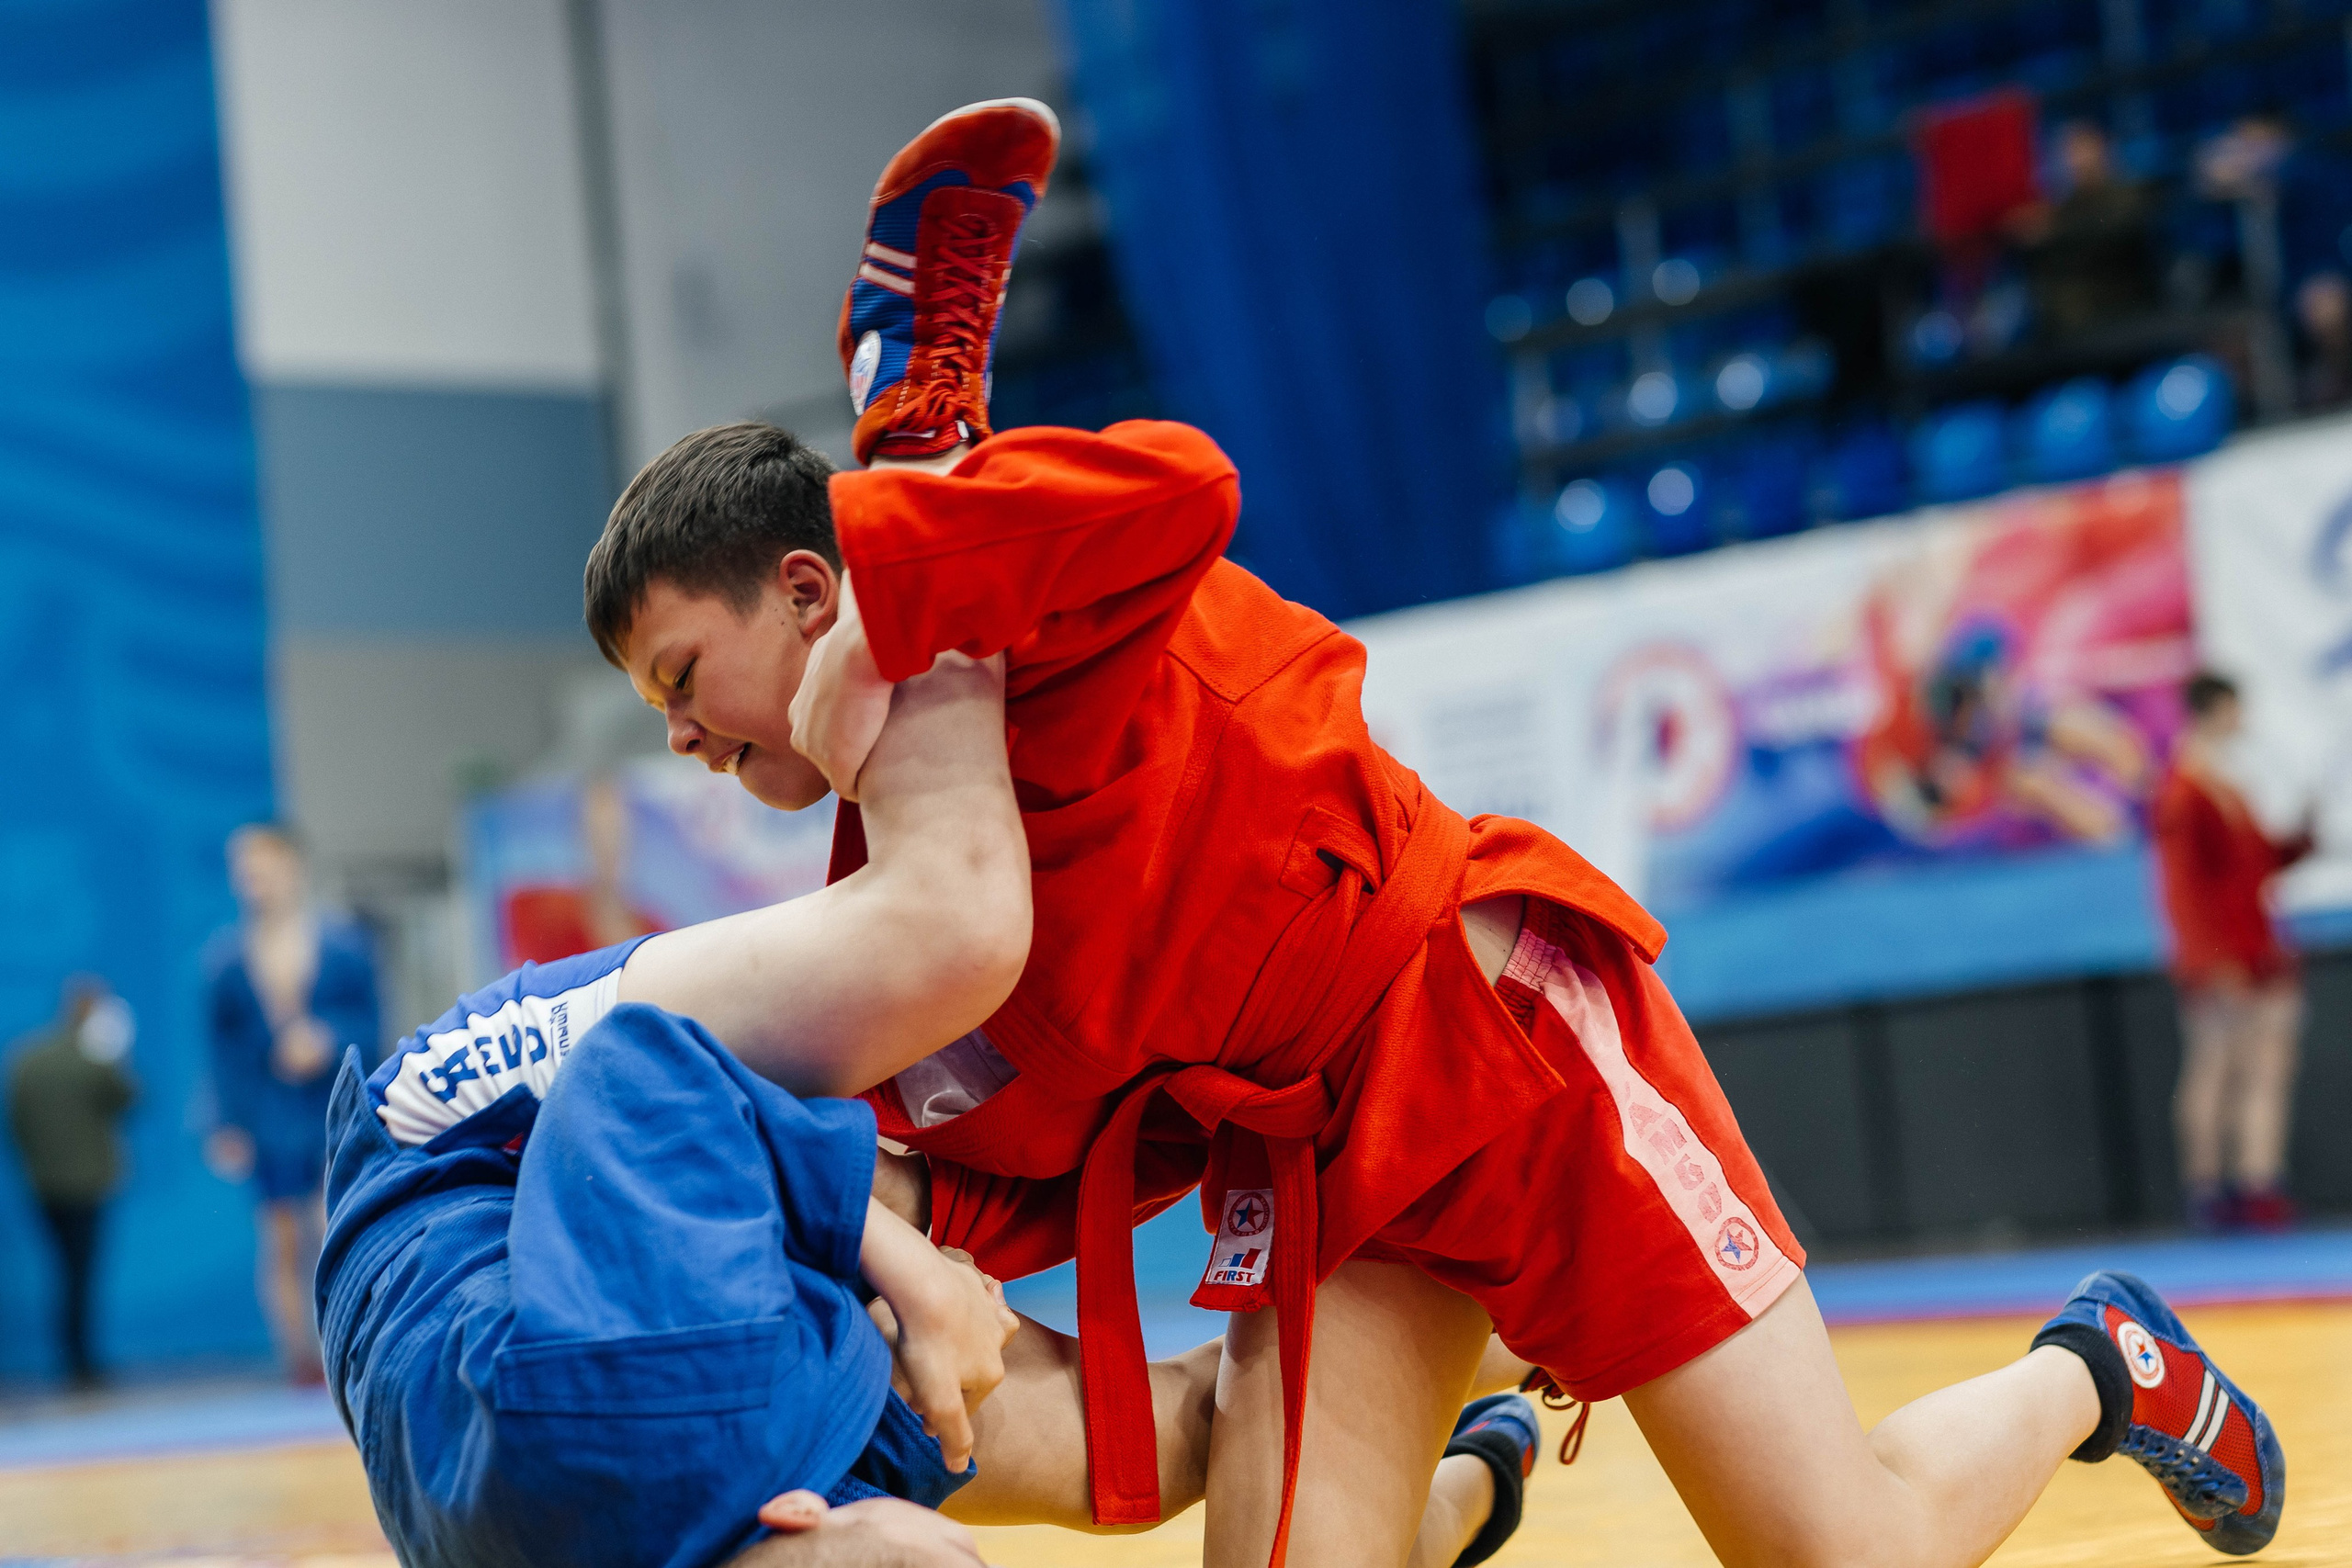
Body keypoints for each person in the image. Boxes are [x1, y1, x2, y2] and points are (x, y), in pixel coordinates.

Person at [590, 99, 2285, 1566]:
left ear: (812, 585)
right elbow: (975, 1157)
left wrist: (904, 499)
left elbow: (1185, 486)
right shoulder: (897, 894)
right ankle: (1468, 1492)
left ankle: (2102, 1357)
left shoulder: (1001, 620)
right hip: (1320, 1170)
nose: (678, 733)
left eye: (683, 671)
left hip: (1493, 1035)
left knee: (1846, 1547)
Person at [326, 654, 1536, 1568]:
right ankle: (1487, 1457)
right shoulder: (781, 1455)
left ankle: (926, 563)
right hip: (621, 1416)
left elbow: (642, 1070)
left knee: (942, 944)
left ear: (811, 1503)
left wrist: (913, 1268)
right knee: (1148, 1458)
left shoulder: (661, 1387)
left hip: (453, 1137)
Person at [203, 823, 380, 1382]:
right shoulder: (227, 961)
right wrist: (227, 1123)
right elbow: (221, 1052)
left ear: (292, 867)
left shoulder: (343, 945)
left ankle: (353, 1339)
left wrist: (326, 1038)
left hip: (329, 1105)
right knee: (281, 1238)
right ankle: (299, 1357)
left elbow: (373, 1022)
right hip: (270, 1114)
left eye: (262, 868)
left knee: (336, 1224)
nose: (252, 881)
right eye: (244, 871)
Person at [2153, 671, 2314, 1233]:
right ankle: (2206, 1185)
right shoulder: (2184, 790)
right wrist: (2208, 959)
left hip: (2255, 947)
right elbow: (2182, 887)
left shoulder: (2228, 787)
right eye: (2236, 709)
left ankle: (2257, 1178)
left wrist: (2301, 837)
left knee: (2266, 1064)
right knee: (2215, 1063)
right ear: (2215, 710)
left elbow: (2255, 866)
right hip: (2219, 955)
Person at [6, 976, 138, 1388]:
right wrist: (115, 1054)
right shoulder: (93, 1059)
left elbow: (14, 1122)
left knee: (66, 1272)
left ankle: (75, 1360)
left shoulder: (26, 1057)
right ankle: (81, 1364)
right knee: (79, 1275)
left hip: (43, 1185)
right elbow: (129, 1099)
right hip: (87, 1186)